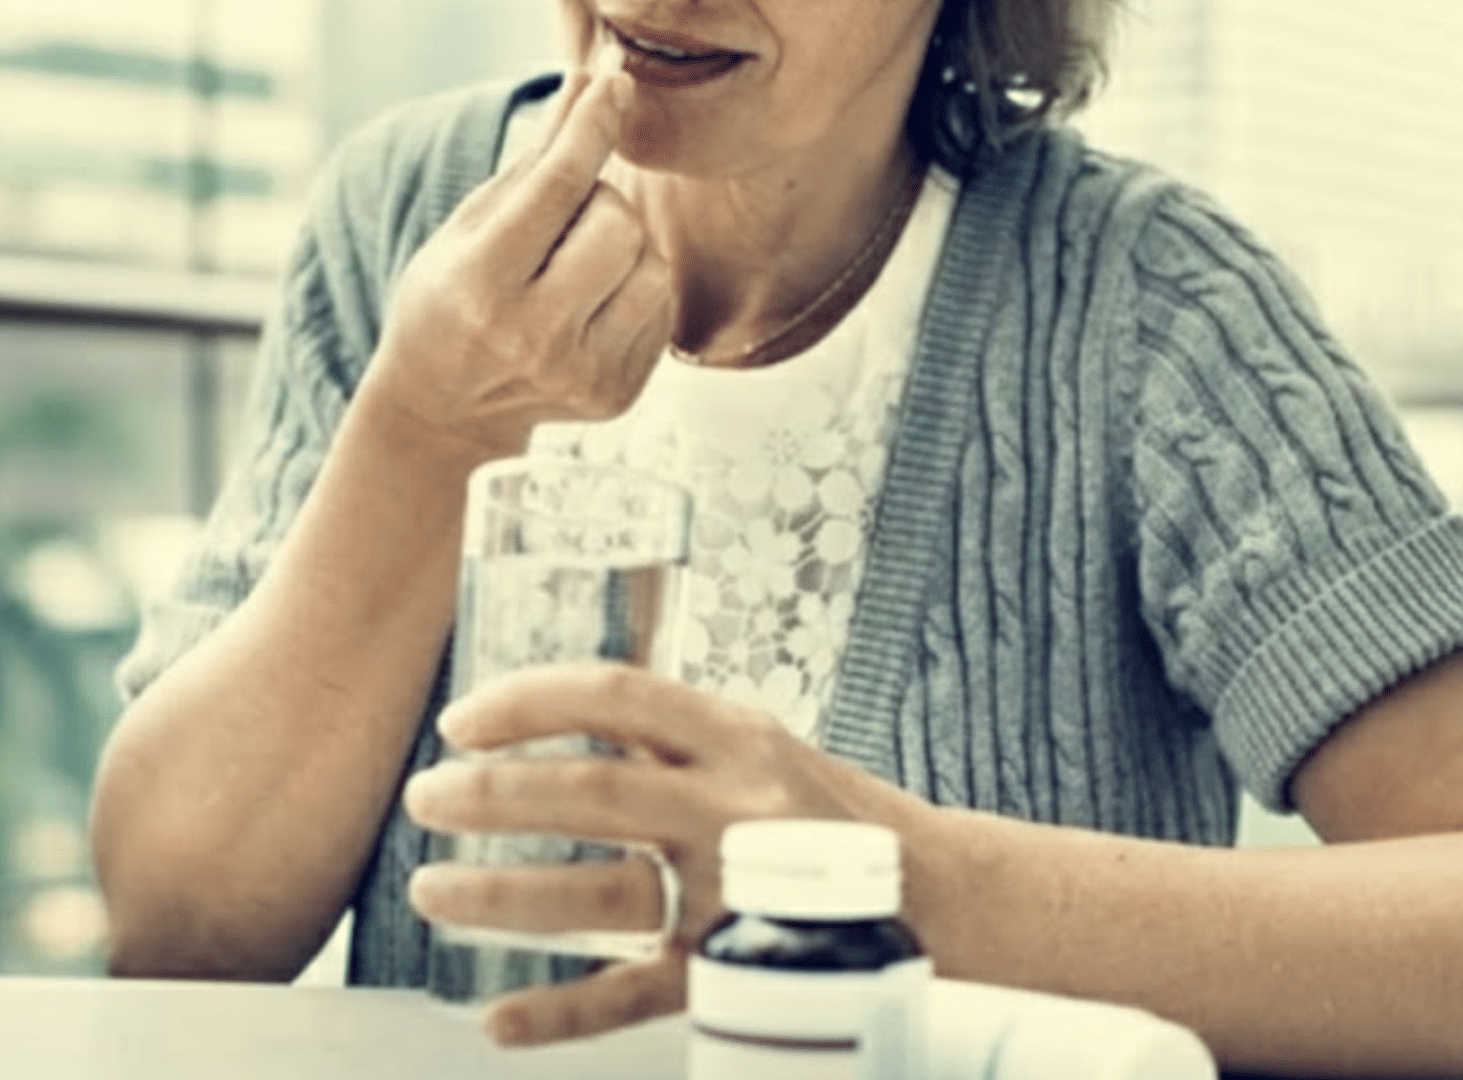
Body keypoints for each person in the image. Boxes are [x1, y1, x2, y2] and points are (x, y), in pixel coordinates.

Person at [88, 1, 1463, 1075]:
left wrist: (914, 886)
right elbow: (177, 931)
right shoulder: (399, 209)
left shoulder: (1151, 307)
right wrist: (419, 433)